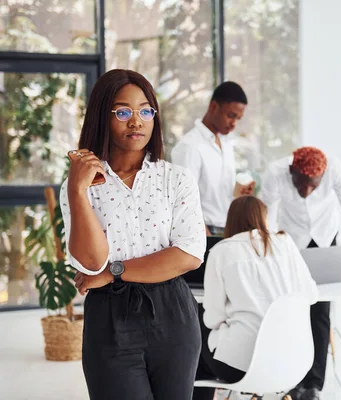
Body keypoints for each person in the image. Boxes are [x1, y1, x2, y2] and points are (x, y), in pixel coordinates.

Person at [60, 69, 206, 400]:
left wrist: (115, 273)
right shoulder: (81, 186)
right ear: (102, 115)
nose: (136, 121)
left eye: (145, 111)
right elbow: (91, 260)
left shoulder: (175, 179)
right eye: (123, 112)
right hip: (109, 323)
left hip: (174, 317)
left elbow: (189, 254)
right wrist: (78, 191)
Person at [260, 146, 341, 400]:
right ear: (291, 172)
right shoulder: (276, 172)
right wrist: (269, 253)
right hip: (290, 243)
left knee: (320, 314)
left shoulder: (335, 169)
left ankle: (314, 386)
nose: (306, 191)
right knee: (292, 312)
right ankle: (292, 380)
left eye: (313, 186)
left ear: (323, 177)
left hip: (325, 240)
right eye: (300, 185)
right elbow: (266, 214)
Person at [194, 195, 318, 400]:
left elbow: (212, 319)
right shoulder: (285, 242)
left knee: (195, 336)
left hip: (242, 367)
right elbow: (311, 295)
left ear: (230, 220)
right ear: (263, 218)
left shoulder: (221, 251)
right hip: (295, 363)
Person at [171, 81, 252, 238]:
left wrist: (240, 193)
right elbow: (183, 198)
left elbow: (218, 190)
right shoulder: (189, 146)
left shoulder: (227, 143)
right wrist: (201, 230)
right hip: (206, 231)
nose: (234, 124)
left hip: (229, 228)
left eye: (238, 118)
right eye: (231, 116)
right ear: (213, 106)